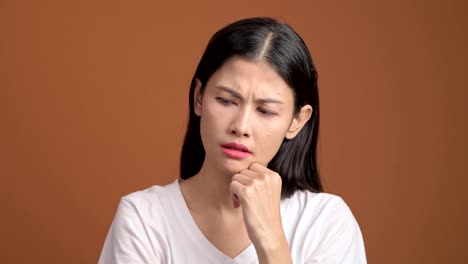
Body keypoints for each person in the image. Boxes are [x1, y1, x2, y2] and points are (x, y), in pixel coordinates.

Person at [99, 17, 367, 264]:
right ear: (199, 97)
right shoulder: (144, 218)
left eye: (265, 111)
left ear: (297, 121)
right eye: (226, 101)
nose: (240, 127)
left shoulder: (326, 223)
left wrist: (271, 241)